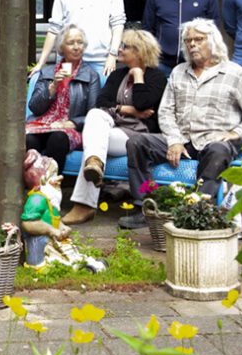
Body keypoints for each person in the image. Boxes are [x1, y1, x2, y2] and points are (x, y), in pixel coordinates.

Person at [121, 18, 242, 229]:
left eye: (198, 39)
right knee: (137, 143)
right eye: (188, 40)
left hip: (215, 141)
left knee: (218, 150)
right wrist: (174, 140)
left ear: (213, 41)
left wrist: (238, 132)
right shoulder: (178, 72)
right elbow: (165, 111)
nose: (192, 44)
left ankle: (198, 211)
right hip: (181, 140)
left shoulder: (234, 73)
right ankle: (146, 207)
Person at [61, 29, 167, 225]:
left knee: (95, 142)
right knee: (94, 115)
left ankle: (84, 206)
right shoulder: (118, 75)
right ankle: (94, 163)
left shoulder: (157, 78)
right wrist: (129, 110)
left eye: (125, 46)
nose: (120, 49)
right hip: (110, 128)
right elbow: (101, 103)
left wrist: (138, 76)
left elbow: (144, 102)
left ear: (140, 51)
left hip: (135, 136)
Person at [26, 25, 100, 173]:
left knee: (58, 138)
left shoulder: (91, 75)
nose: (76, 47)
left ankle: (52, 184)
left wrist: (74, 122)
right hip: (43, 125)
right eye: (71, 43)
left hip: (70, 129)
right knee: (28, 140)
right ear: (61, 47)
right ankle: (31, 185)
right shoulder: (47, 72)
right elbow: (34, 107)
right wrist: (53, 87)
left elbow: (95, 113)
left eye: (80, 43)